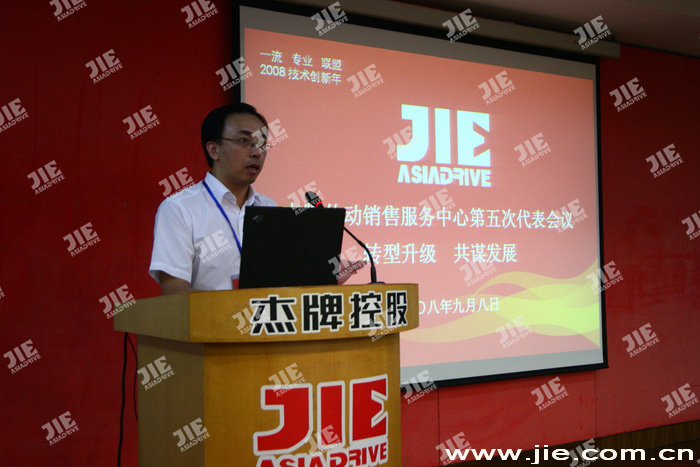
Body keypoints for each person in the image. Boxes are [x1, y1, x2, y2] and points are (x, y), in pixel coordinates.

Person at [149, 103, 276, 295]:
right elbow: (175, 291)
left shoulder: (268, 207)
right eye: (244, 141)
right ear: (214, 150)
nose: (257, 152)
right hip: (209, 316)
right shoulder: (179, 208)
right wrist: (233, 306)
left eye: (262, 143)